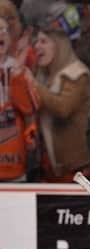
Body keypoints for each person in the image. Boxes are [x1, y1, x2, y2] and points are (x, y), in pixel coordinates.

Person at [31, 27, 90, 182]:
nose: (37, 46)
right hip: (48, 168)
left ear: (59, 46)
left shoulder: (77, 74)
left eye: (44, 41)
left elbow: (63, 108)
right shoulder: (43, 76)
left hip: (75, 168)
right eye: (36, 42)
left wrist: (33, 84)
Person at [0, 15, 38, 182]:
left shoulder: (22, 72)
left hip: (15, 166)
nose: (0, 34)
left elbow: (31, 115)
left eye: (3, 30)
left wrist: (30, 137)